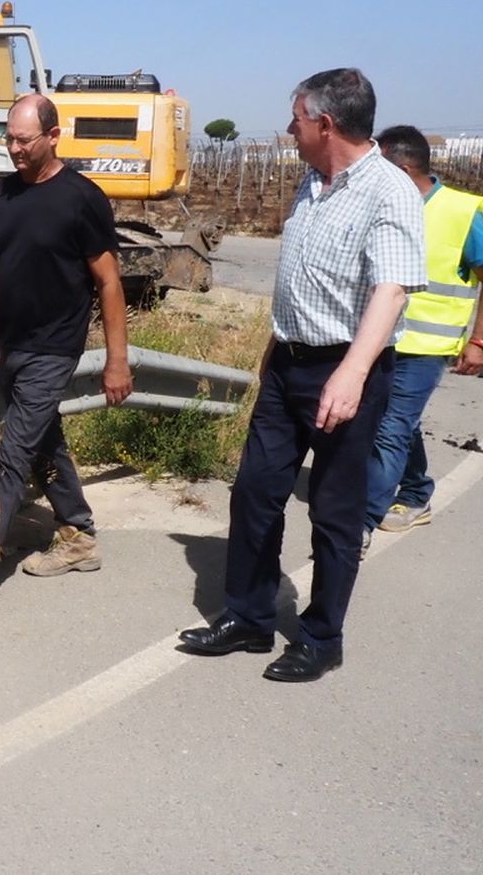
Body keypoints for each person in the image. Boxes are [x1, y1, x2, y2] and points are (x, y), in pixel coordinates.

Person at [180, 68, 425, 683]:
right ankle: (250, 618)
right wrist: (273, 346)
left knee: (334, 513)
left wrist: (352, 372)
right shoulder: (311, 183)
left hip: (346, 370)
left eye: (296, 117)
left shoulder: (388, 191)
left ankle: (322, 637)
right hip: (288, 362)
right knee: (255, 493)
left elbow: (390, 293)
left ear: (326, 123)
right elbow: (304, 282)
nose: (289, 127)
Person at [0, 93, 133, 611]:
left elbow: (108, 283)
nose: (14, 149)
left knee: (13, 454)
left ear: (53, 137)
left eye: (24, 140)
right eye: (9, 139)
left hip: (54, 348)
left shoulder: (82, 198)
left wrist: (117, 359)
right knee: (42, 442)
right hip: (10, 344)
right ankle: (78, 534)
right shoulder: (2, 196)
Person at [364, 124, 483, 544]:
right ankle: (417, 493)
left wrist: (478, 342)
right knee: (395, 426)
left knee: (389, 430)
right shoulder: (383, 205)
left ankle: (359, 525)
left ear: (405, 170)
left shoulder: (460, 212)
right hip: (379, 340)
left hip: (425, 347)